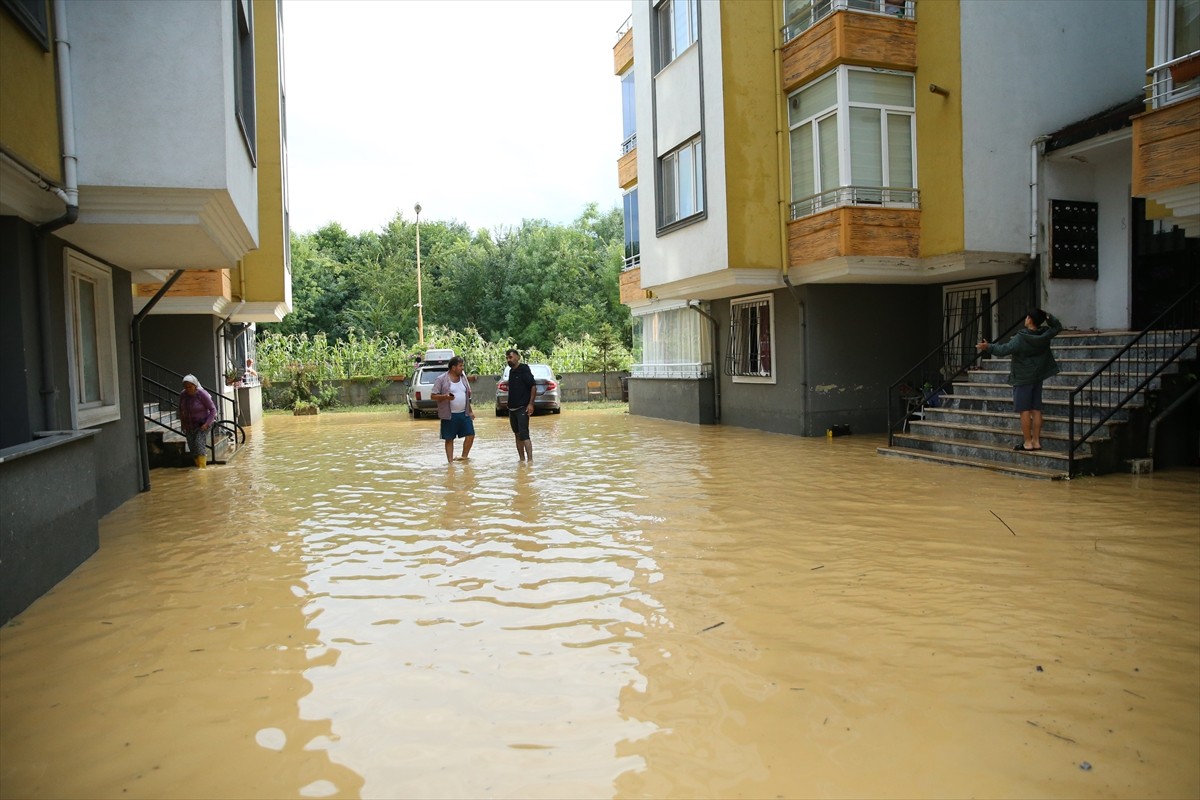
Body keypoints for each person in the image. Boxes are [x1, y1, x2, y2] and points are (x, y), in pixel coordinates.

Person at [976, 308, 1064, 452]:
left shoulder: (1021, 338)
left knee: (1024, 410)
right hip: (1037, 377)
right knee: (1036, 410)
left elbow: (1003, 350)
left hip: (1023, 378)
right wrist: (1048, 316)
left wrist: (988, 347)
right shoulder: (1044, 334)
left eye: (1027, 317)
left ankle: (1027, 443)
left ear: (1029, 319)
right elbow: (1057, 326)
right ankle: (1036, 441)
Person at [432, 356, 475, 463]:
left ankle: (464, 457)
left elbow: (466, 396)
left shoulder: (463, 377)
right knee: (449, 438)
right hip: (449, 415)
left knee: (471, 435)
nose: (462, 368)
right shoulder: (441, 379)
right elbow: (433, 396)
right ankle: (450, 463)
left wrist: (470, 411)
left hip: (464, 413)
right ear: (453, 367)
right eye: (460, 366)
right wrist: (445, 397)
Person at [505, 348, 537, 462]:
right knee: (517, 434)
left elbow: (533, 386)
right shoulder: (511, 372)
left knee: (524, 434)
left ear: (518, 357)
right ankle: (522, 460)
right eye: (507, 358)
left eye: (511, 357)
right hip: (512, 408)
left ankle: (530, 460)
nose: (509, 360)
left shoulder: (524, 369)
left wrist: (531, 404)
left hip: (522, 407)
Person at [179, 374, 217, 468]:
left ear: (195, 386)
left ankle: (202, 470)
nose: (188, 389)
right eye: (186, 387)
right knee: (192, 447)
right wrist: (183, 423)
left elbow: (213, 409)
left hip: (203, 424)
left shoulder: (201, 394)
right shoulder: (183, 395)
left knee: (199, 443)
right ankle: (198, 466)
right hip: (189, 425)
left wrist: (207, 423)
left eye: (190, 386)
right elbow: (181, 409)